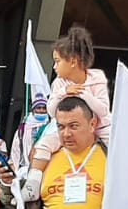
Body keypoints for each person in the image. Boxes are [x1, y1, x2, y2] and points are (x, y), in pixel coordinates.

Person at [26, 25, 112, 182]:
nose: (54, 67)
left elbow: (104, 110)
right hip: (70, 130)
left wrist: (84, 94)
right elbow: (51, 111)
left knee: (118, 146)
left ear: (72, 62)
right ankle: (33, 181)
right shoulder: (59, 83)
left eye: (57, 62)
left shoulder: (97, 78)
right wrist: (63, 92)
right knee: (44, 145)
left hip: (101, 128)